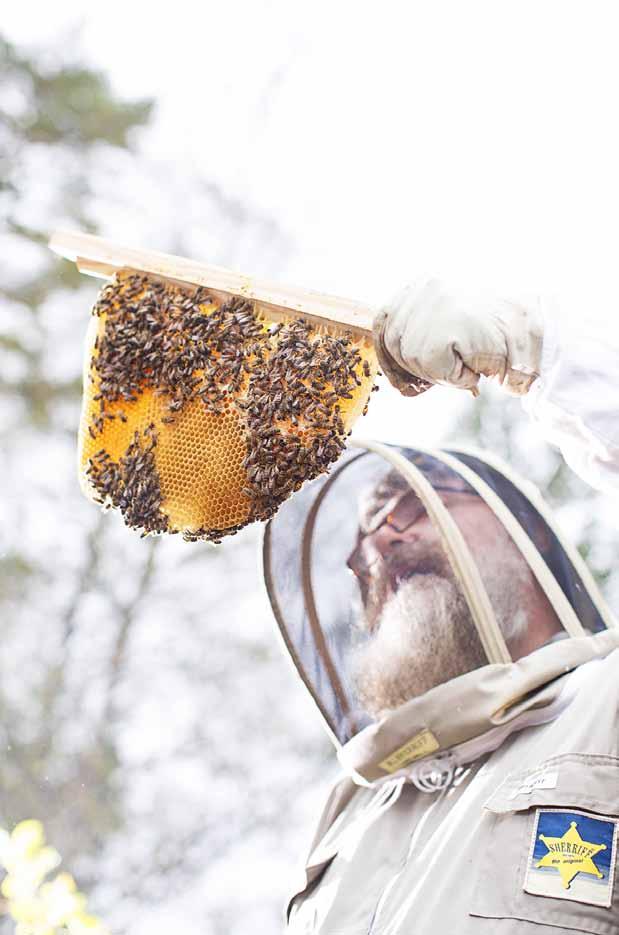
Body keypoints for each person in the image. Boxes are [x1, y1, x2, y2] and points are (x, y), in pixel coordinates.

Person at [262, 278, 619, 934]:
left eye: (406, 503)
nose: (376, 543)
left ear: (529, 534)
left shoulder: (607, 704)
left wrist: (538, 349)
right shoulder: (350, 807)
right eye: (357, 549)